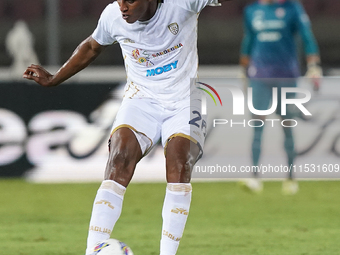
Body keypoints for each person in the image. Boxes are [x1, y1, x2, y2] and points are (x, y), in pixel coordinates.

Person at [23, 0, 228, 254]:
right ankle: (93, 251)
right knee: (118, 159)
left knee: (179, 162)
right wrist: (54, 78)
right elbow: (91, 46)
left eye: (130, 0)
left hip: (184, 100)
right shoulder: (113, 16)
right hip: (141, 99)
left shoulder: (182, 3)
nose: (123, 6)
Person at [239, 0, 322, 194]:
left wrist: (313, 65)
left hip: (286, 75)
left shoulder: (292, 8)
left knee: (287, 124)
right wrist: (243, 69)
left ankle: (291, 177)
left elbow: (306, 36)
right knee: (257, 125)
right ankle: (254, 177)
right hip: (259, 76)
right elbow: (249, 40)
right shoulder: (252, 11)